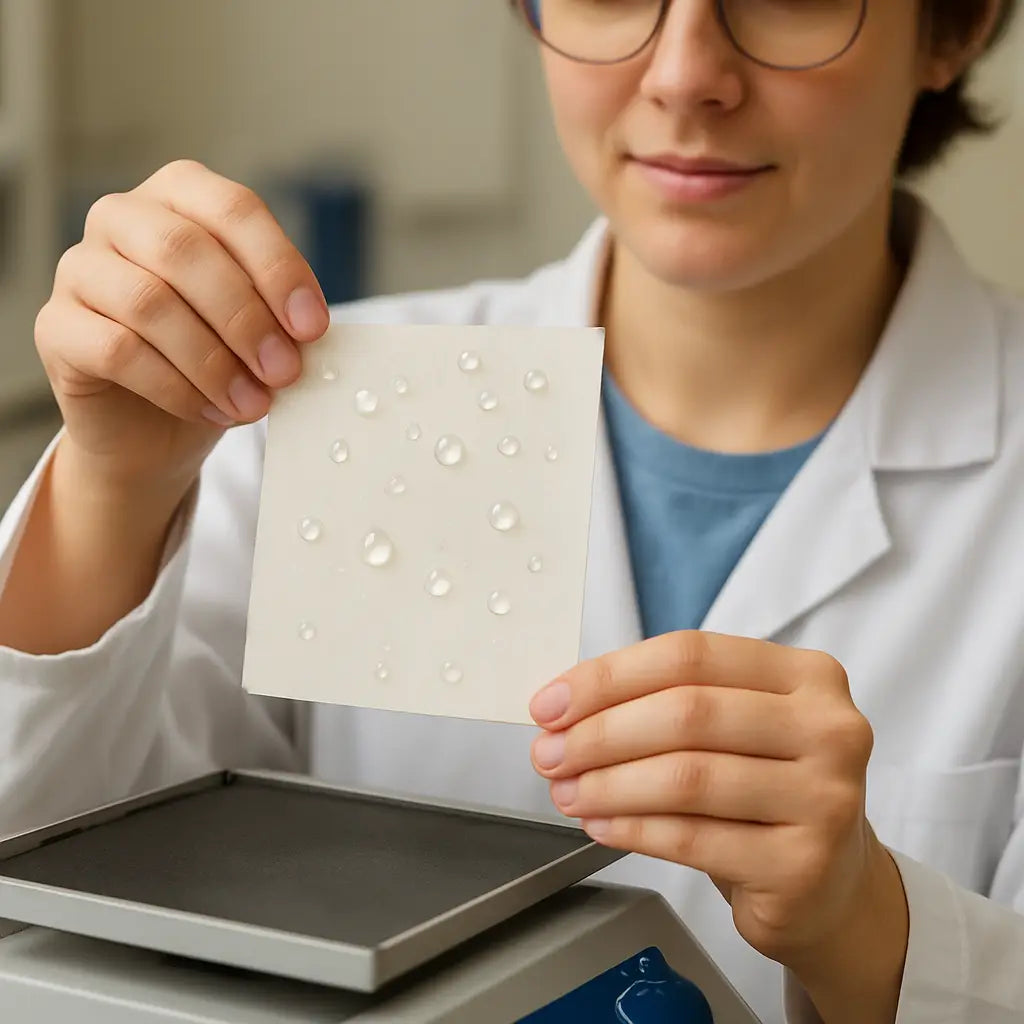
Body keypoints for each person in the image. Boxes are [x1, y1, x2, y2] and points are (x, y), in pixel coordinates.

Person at [0, 1, 1021, 1020]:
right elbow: (58, 919)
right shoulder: (306, 422)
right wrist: (113, 486)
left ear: (953, 27)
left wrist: (875, 932)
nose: (683, 74)